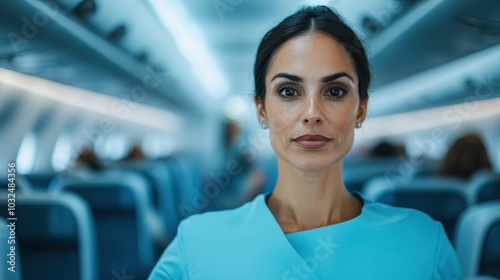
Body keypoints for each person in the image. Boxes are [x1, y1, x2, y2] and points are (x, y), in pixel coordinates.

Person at [149, 6, 461, 279]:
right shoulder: (196, 244)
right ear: (261, 110)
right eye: (288, 91)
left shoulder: (423, 244)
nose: (312, 113)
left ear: (361, 110)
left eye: (335, 91)